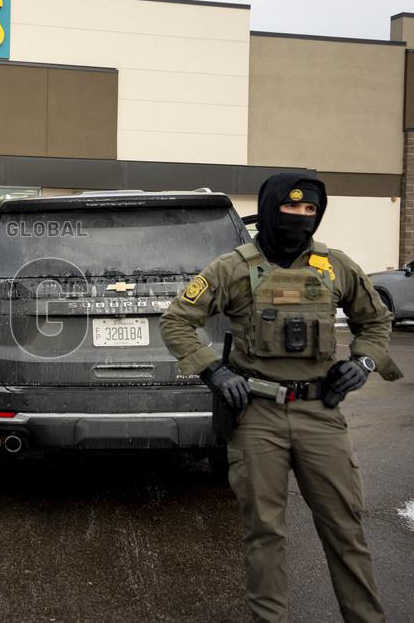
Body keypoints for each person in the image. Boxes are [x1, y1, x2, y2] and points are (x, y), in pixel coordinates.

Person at [160, 173, 402, 623]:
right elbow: (176, 320)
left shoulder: (335, 267)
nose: (300, 218)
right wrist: (213, 370)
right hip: (256, 416)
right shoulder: (232, 267)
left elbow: (377, 320)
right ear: (273, 209)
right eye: (292, 209)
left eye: (310, 210)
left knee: (345, 529)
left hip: (320, 413)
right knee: (265, 534)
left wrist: (364, 362)